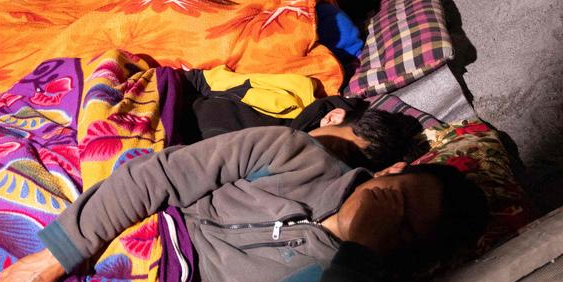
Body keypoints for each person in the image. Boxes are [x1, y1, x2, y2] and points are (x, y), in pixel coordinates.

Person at [0, 123, 488, 282]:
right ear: (391, 172)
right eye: (396, 196)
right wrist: (56, 256)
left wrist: (359, 257)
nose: (386, 212)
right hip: (140, 224)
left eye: (401, 226)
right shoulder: (291, 152)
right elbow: (155, 177)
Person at [179, 76, 428, 172]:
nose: (318, 157)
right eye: (333, 148)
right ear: (332, 118)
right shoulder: (290, 95)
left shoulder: (288, 174)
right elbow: (198, 78)